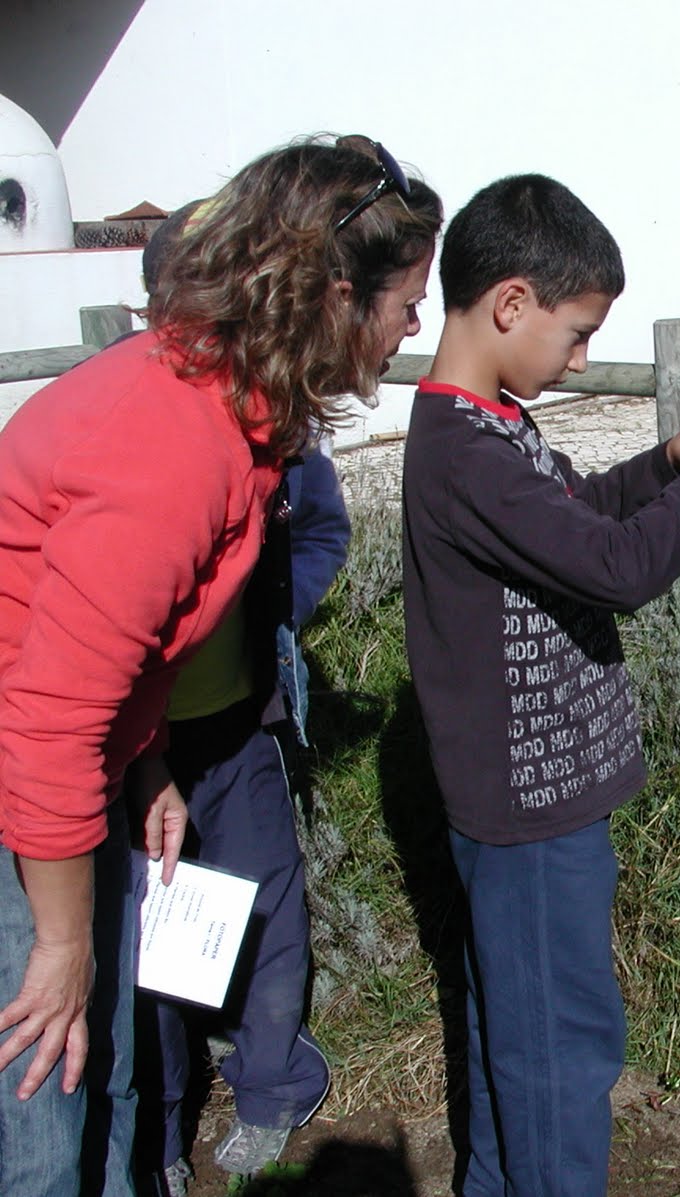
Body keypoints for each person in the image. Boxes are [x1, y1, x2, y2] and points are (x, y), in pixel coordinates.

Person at [0, 134, 442, 1197]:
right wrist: (58, 942)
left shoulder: (232, 410)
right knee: (44, 1096)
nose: (416, 325)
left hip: (86, 770)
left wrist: (146, 758)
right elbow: (49, 720)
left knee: (102, 1070)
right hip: (27, 787)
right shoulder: (174, 444)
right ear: (337, 295)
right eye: (407, 300)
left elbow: (134, 644)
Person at [402, 174, 680, 1196]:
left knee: (521, 1037)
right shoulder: (466, 454)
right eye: (576, 334)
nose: (578, 358)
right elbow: (615, 568)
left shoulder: (489, 427)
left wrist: (671, 462)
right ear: (510, 303)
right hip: (528, 819)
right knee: (556, 1051)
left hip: (544, 804)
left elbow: (575, 518)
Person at [128, 199, 351, 1197]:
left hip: (239, 723)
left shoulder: (277, 425)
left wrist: (273, 617)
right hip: (132, 744)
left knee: (266, 902)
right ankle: (161, 1124)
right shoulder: (132, 425)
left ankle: (271, 1088)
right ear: (156, 306)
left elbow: (322, 528)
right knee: (149, 935)